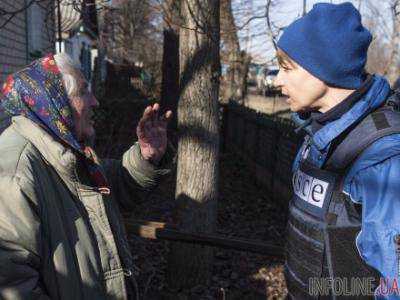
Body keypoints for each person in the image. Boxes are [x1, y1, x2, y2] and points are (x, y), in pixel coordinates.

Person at [0, 53, 172, 299]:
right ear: (56, 100)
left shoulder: (63, 149)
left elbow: (113, 186)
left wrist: (146, 157)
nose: (95, 102)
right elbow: (13, 286)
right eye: (83, 91)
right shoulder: (14, 172)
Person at [274, 2, 400, 299]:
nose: (278, 80)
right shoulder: (316, 135)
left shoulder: (383, 159)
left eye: (287, 68)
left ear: (323, 68)